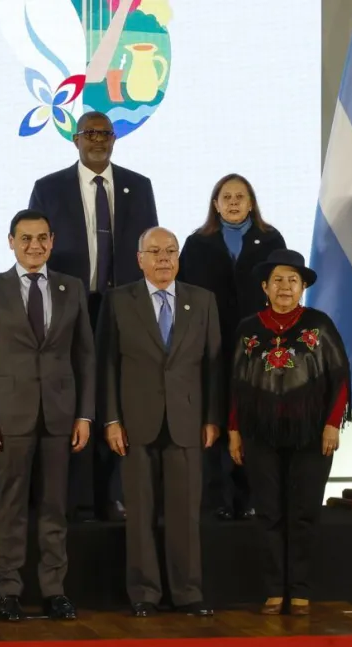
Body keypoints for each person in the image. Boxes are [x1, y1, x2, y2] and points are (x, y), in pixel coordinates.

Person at [0, 210, 95, 623]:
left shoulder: (71, 287)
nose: (34, 245)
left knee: (56, 506)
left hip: (60, 414)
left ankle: (55, 591)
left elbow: (86, 356)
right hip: (9, 416)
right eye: (26, 238)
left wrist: (85, 415)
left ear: (52, 241)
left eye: (42, 238)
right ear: (10, 241)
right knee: (12, 506)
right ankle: (10, 591)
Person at [29, 111, 159, 522]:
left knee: (118, 396)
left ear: (115, 138)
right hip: (70, 305)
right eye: (90, 133)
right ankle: (73, 496)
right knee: (71, 396)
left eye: (105, 133)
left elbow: (150, 252)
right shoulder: (48, 188)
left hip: (123, 307)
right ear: (75, 138)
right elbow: (35, 250)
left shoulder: (139, 187)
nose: (98, 140)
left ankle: (113, 495)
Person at [98, 227, 221, 618]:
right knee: (140, 511)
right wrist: (112, 419)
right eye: (155, 251)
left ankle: (187, 592)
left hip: (187, 421)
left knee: (186, 513)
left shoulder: (202, 301)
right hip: (134, 423)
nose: (164, 258)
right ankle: (144, 593)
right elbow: (107, 365)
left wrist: (212, 417)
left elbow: (213, 365)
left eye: (170, 251)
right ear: (140, 259)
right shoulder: (118, 301)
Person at [228, 249, 350, 617]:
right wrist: (234, 431)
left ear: (303, 287)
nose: (285, 287)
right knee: (268, 512)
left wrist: (332, 423)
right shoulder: (249, 328)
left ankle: (299, 589)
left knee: (304, 511)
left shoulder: (320, 325)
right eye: (278, 280)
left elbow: (340, 378)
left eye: (292, 280)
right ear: (265, 286)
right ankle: (272, 589)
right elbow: (236, 384)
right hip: (260, 433)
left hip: (311, 435)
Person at [179, 174, 287, 521]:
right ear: (215, 204)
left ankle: (252, 497)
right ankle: (217, 499)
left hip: (260, 348)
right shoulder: (197, 243)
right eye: (226, 196)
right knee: (212, 421)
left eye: (241, 196)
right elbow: (183, 296)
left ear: (252, 202)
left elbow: (285, 291)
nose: (234, 202)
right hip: (210, 346)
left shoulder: (271, 240)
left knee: (253, 422)